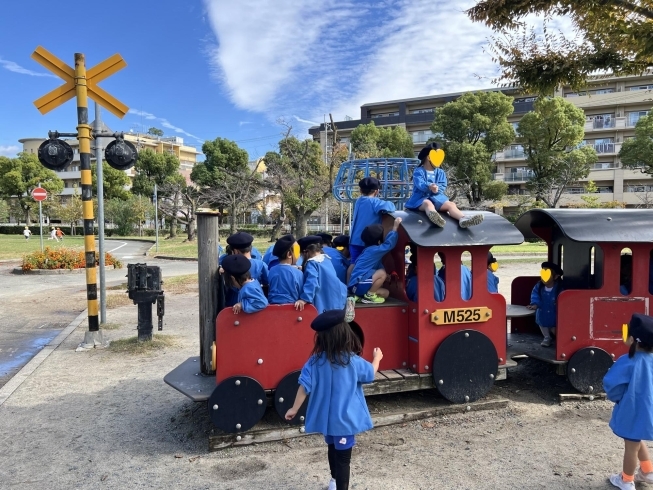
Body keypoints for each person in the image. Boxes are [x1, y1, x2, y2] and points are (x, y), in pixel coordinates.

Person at [285, 309, 383, 490]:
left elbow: (304, 386)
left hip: (326, 421)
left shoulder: (314, 362)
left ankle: (333, 481)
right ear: (345, 335)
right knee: (344, 459)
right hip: (344, 421)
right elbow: (370, 373)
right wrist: (377, 358)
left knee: (332, 449)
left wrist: (294, 408)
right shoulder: (352, 361)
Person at [603, 313, 653, 490]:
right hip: (649, 412)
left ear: (632, 339)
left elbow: (612, 386)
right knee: (636, 439)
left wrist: (617, 399)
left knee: (631, 446)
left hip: (632, 410)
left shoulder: (628, 361)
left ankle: (626, 480)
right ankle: (647, 471)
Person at [405, 142, 484, 229]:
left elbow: (443, 184)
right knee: (428, 203)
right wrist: (429, 186)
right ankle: (435, 217)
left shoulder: (440, 172)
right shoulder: (418, 171)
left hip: (437, 198)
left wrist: (437, 189)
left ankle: (463, 219)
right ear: (429, 157)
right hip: (420, 199)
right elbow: (419, 183)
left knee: (451, 204)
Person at [295, 235, 352, 317]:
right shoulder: (326, 259)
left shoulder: (311, 263)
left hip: (325, 299)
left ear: (305, 252)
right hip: (338, 295)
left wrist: (304, 299)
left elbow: (312, 282)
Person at [348, 217, 401, 304]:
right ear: (379, 241)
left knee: (386, 293)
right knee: (382, 273)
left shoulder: (368, 251)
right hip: (359, 284)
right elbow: (389, 245)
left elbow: (376, 265)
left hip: (355, 287)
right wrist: (395, 228)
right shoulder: (374, 250)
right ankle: (370, 295)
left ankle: (360, 297)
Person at [349, 177, 396, 272]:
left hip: (354, 240)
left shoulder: (359, 201)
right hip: (366, 242)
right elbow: (390, 207)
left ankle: (349, 283)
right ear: (376, 191)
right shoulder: (374, 202)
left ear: (361, 190)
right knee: (368, 265)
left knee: (354, 263)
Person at [527, 261, 564, 347]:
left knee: (555, 328)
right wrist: (535, 304)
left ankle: (559, 340)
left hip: (554, 312)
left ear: (556, 277)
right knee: (542, 325)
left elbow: (564, 298)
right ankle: (547, 337)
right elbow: (535, 295)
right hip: (542, 311)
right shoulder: (539, 286)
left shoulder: (559, 288)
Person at [267, 234, 304, 305]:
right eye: (297, 251)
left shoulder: (272, 270)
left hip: (272, 307)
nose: (299, 254)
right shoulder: (298, 273)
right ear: (289, 254)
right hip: (292, 308)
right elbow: (301, 292)